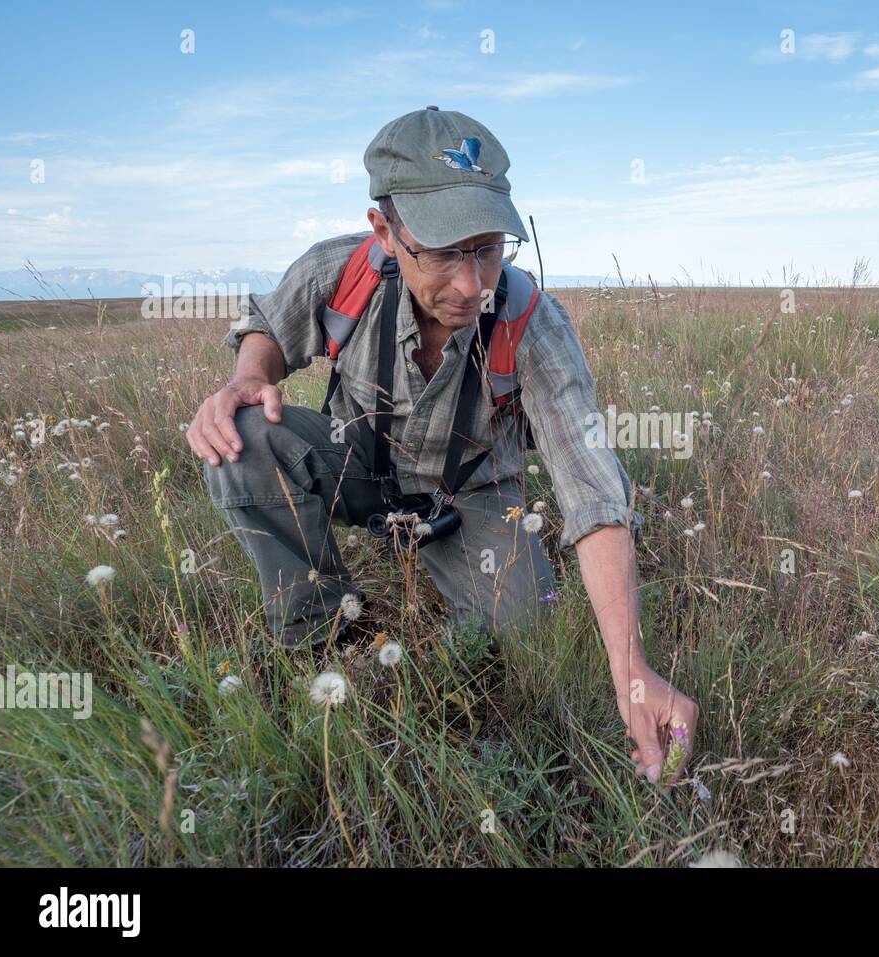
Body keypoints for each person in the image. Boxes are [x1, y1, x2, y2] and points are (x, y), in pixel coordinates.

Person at [187, 107, 697, 783]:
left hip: (473, 499)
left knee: (526, 631)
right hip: (359, 467)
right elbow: (270, 329)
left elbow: (593, 488)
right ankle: (321, 624)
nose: (471, 284)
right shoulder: (342, 270)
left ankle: (451, 577)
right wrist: (248, 379)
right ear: (386, 230)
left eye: (487, 248)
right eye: (445, 251)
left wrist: (630, 669)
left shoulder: (530, 320)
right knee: (243, 433)